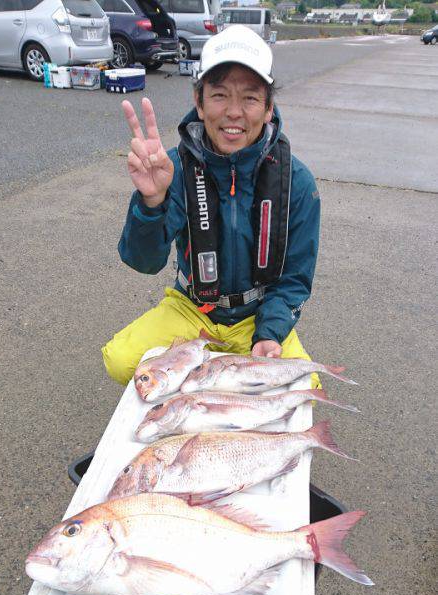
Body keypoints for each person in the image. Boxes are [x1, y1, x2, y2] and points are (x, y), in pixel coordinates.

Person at [102, 25, 320, 387]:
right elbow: (143, 261)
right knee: (120, 361)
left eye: (250, 98)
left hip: (258, 314)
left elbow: (295, 279)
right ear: (199, 103)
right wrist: (151, 201)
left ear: (268, 109)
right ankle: (204, 372)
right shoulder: (171, 167)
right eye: (219, 95)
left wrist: (270, 331)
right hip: (193, 308)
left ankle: (214, 370)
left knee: (307, 388)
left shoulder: (297, 181)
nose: (234, 112)